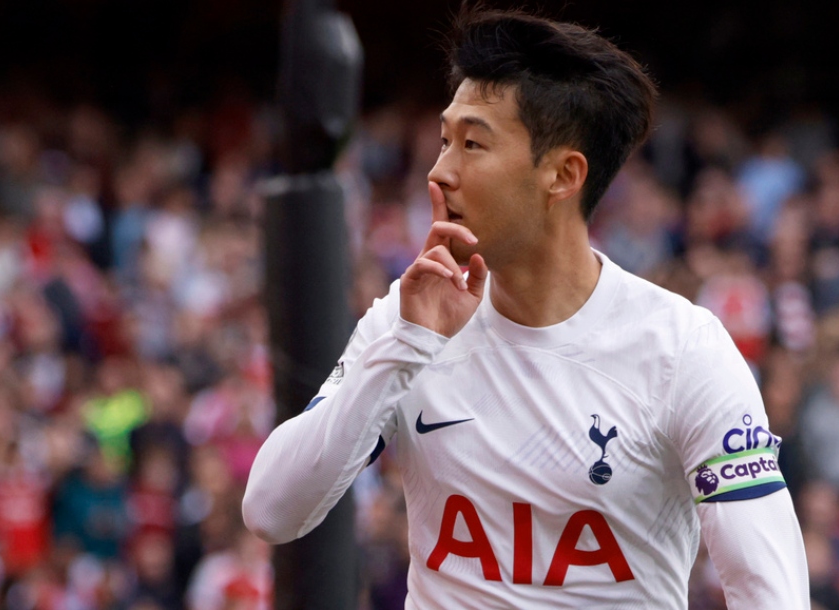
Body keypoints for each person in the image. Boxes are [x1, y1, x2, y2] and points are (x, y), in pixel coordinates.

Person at [244, 8, 808, 608]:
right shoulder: (408, 320)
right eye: (443, 140)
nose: (439, 172)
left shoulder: (682, 348)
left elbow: (769, 590)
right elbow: (273, 511)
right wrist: (406, 347)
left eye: (472, 144)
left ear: (563, 175)